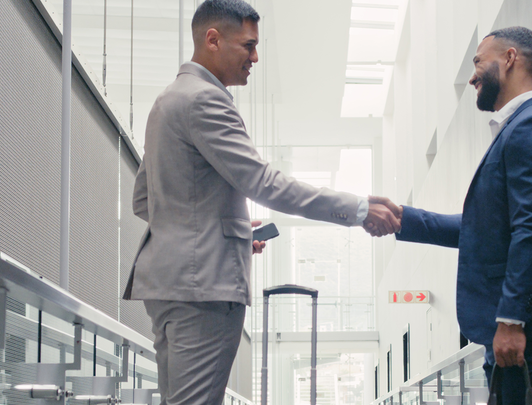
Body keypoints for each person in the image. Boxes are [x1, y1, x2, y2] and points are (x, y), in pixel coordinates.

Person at [122, 0, 399, 403]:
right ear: (213, 40)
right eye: (248, 46)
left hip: (169, 285)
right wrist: (358, 208)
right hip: (205, 289)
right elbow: (265, 183)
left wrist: (224, 231)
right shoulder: (206, 100)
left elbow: (145, 199)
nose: (255, 57)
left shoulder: (167, 101)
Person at [371, 26, 532, 404]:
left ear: (509, 59)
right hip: (519, 338)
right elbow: (487, 230)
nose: (472, 75)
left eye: (478, 62)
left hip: (528, 337)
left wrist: (511, 321)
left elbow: (531, 231)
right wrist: (404, 218)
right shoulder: (521, 129)